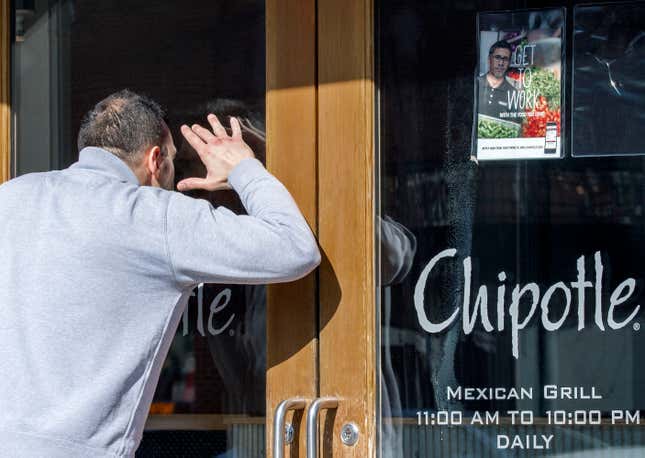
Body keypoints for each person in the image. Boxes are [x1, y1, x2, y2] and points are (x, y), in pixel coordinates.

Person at [0, 89, 320, 457]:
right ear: (155, 160)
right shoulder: (154, 216)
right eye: (174, 162)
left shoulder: (11, 197)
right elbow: (295, 248)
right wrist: (244, 169)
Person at [477, 40, 517, 119]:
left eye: (505, 59)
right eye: (497, 57)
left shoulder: (512, 93)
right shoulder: (476, 84)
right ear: (489, 59)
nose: (501, 63)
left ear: (509, 63)